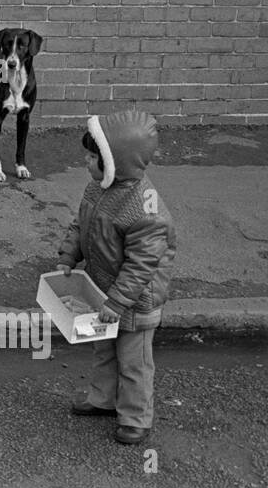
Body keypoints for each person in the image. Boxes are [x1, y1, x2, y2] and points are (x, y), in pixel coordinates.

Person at [56, 110, 177, 445]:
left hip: (135, 302)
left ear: (115, 162)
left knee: (134, 362)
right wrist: (69, 255)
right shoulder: (99, 188)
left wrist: (118, 302)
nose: (86, 160)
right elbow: (81, 224)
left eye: (93, 156)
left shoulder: (145, 210)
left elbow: (142, 265)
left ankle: (136, 417)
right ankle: (103, 398)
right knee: (104, 349)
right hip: (104, 290)